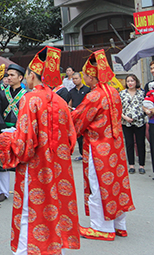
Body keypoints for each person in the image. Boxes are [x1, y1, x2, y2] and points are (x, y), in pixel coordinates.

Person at [0, 46, 80, 255]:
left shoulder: (30, 99)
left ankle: (26, 250)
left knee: (28, 211)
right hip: (57, 167)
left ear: (32, 75)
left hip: (34, 169)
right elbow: (71, 139)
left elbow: (24, 144)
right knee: (53, 208)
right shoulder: (60, 101)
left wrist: (7, 140)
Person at [72, 50, 135, 241]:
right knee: (116, 183)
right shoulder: (114, 92)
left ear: (91, 76)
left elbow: (80, 120)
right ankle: (119, 225)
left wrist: (69, 115)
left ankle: (102, 227)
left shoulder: (94, 96)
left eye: (85, 75)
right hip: (115, 146)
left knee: (98, 185)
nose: (84, 77)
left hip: (98, 146)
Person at [0, 64, 27, 203]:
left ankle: (23, 191)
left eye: (12, 75)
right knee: (2, 162)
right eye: (8, 75)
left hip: (20, 131)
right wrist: (2, 130)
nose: (9, 78)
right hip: (5, 131)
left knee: (22, 162)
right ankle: (3, 191)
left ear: (20, 78)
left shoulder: (27, 95)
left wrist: (19, 129)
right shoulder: (2, 94)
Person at [119, 74, 147, 175]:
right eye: (128, 81)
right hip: (126, 122)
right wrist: (125, 117)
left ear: (136, 82)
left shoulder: (142, 93)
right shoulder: (122, 94)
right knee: (129, 143)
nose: (130, 83)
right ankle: (131, 165)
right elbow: (118, 108)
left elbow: (145, 106)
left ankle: (141, 165)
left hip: (139, 122)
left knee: (140, 144)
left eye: (132, 81)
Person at [145, 61, 154, 176]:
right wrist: (146, 110)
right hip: (152, 121)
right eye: (151, 68)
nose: (152, 70)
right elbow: (145, 101)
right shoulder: (149, 85)